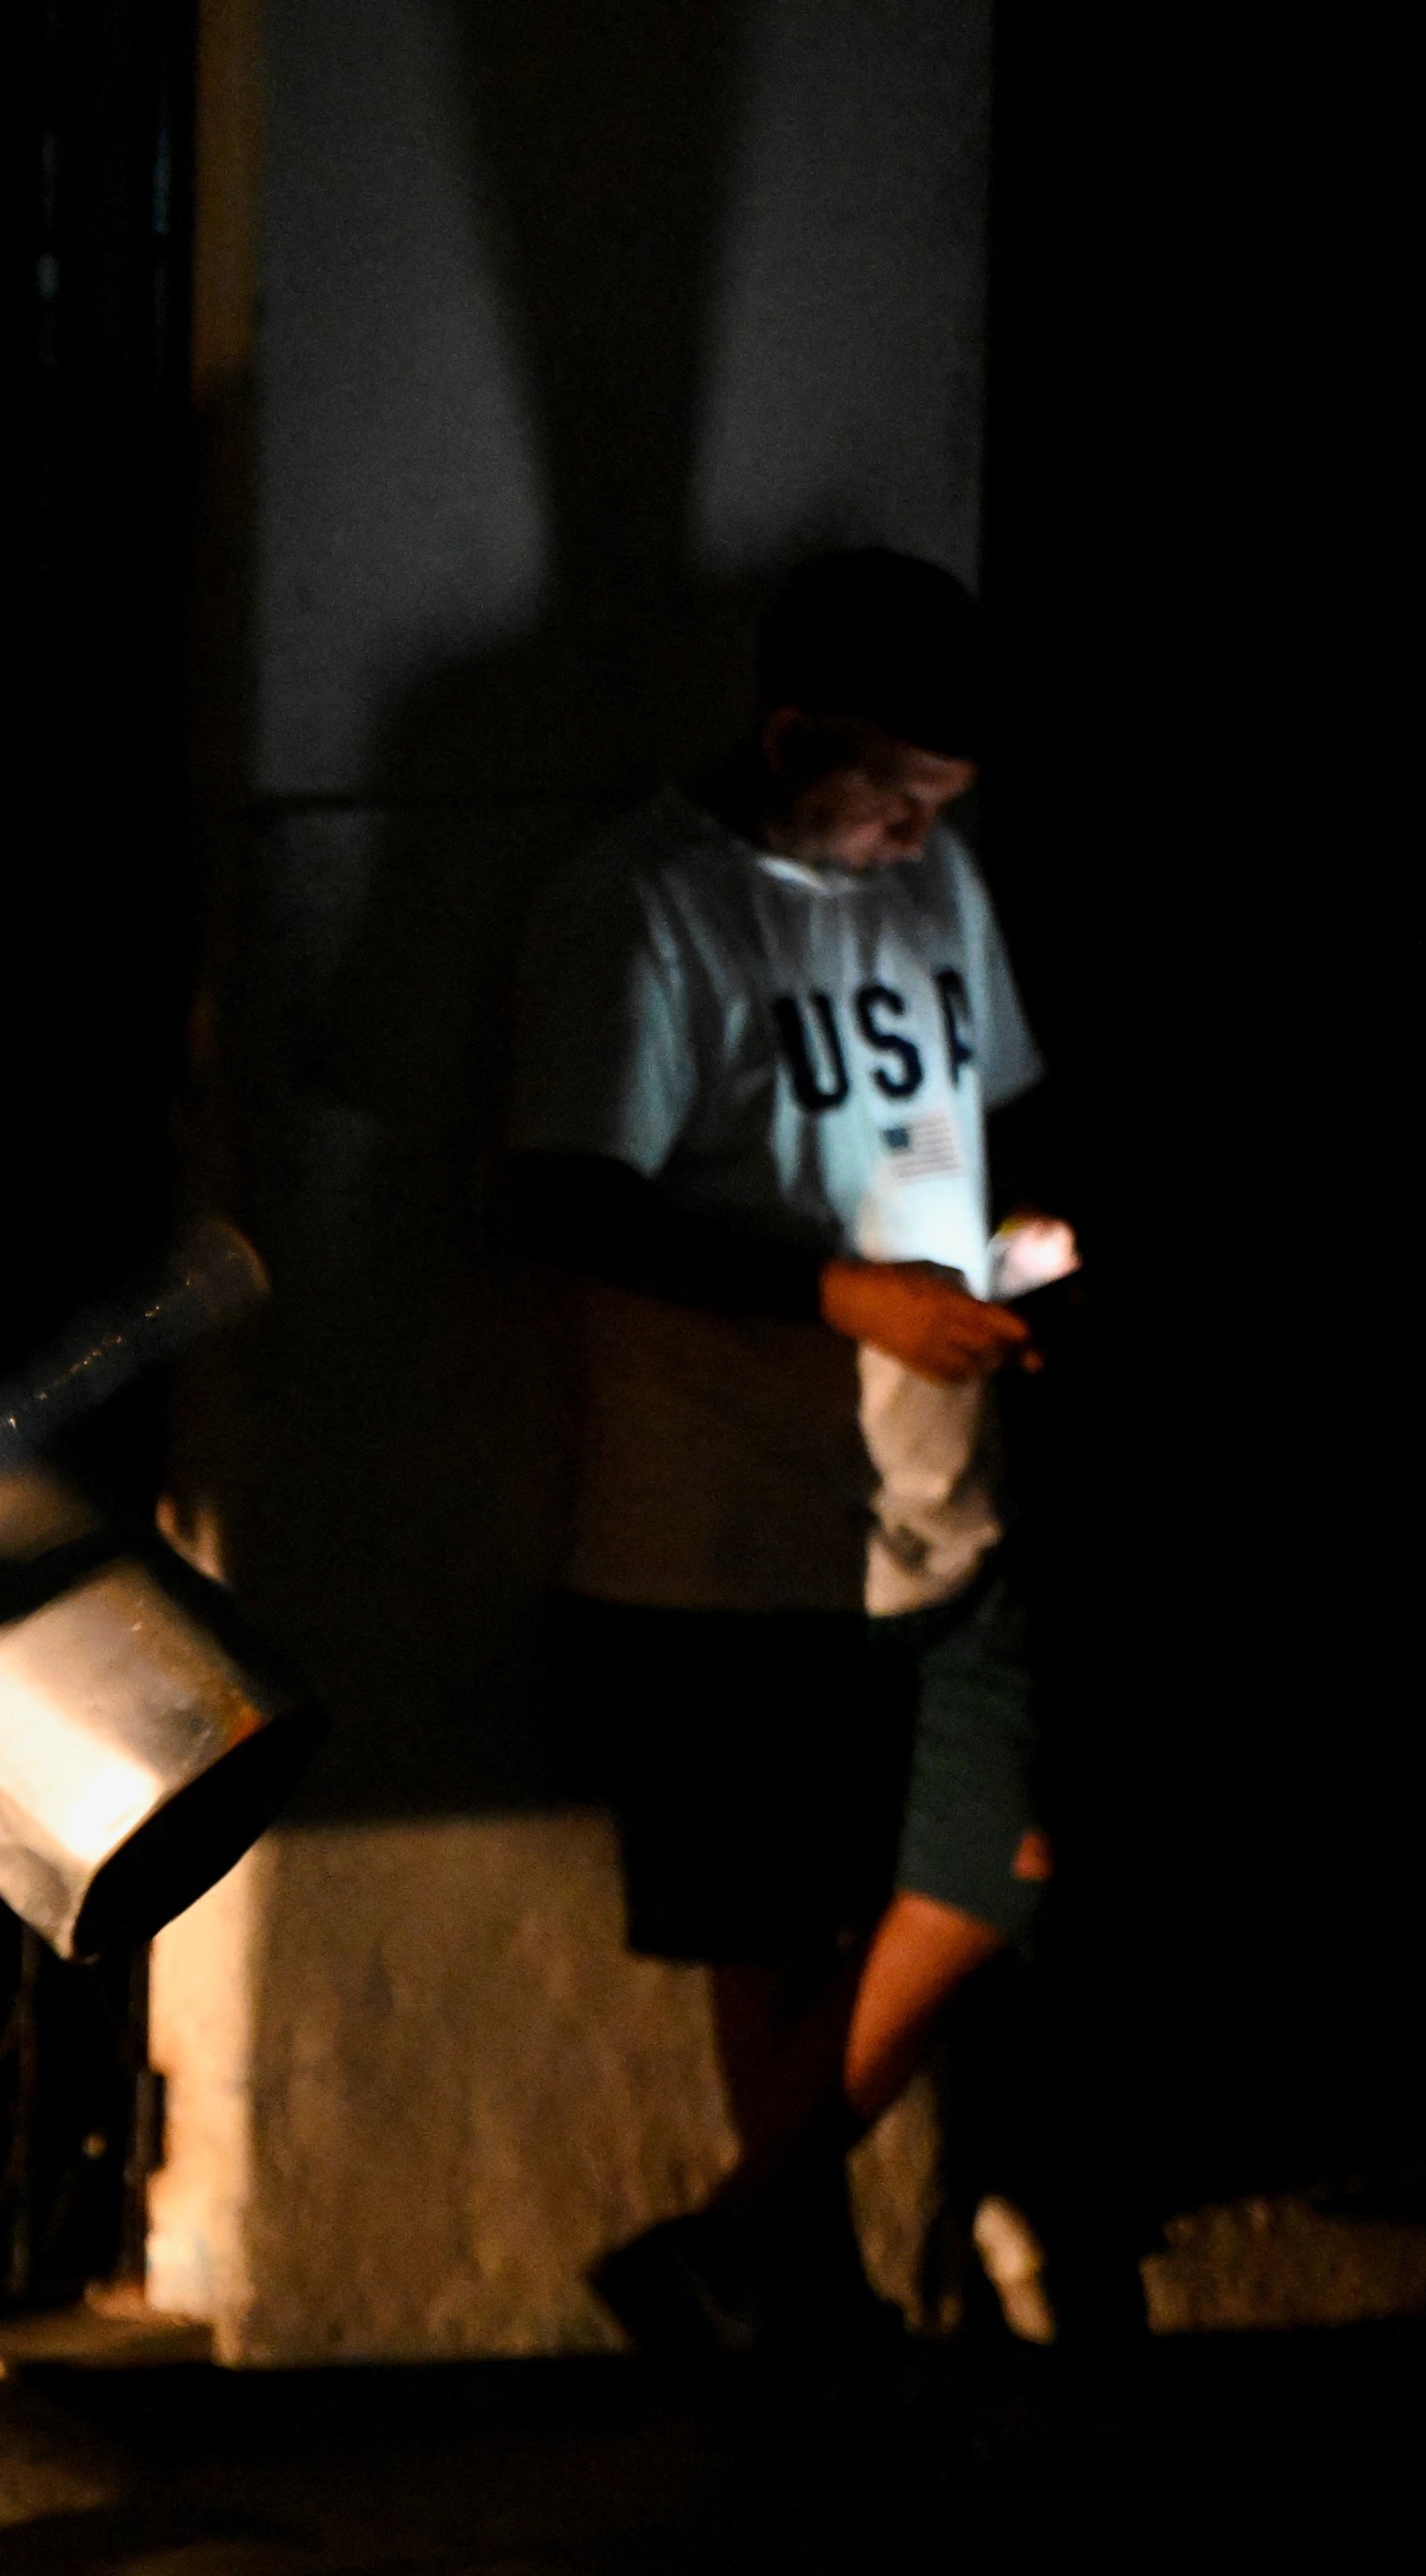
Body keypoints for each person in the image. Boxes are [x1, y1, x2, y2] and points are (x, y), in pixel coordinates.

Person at [505, 550, 1076, 2352]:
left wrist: (1021, 1248)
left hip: (937, 1493)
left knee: (996, 1863)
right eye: (895, 800)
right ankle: (792, 2294)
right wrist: (843, 1297)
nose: (917, 840)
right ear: (789, 741)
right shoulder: (648, 909)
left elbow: (996, 1112)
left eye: (944, 807)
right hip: (730, 1523)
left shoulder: (936, 883)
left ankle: (735, 2248)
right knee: (776, 1931)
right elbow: (570, 1201)